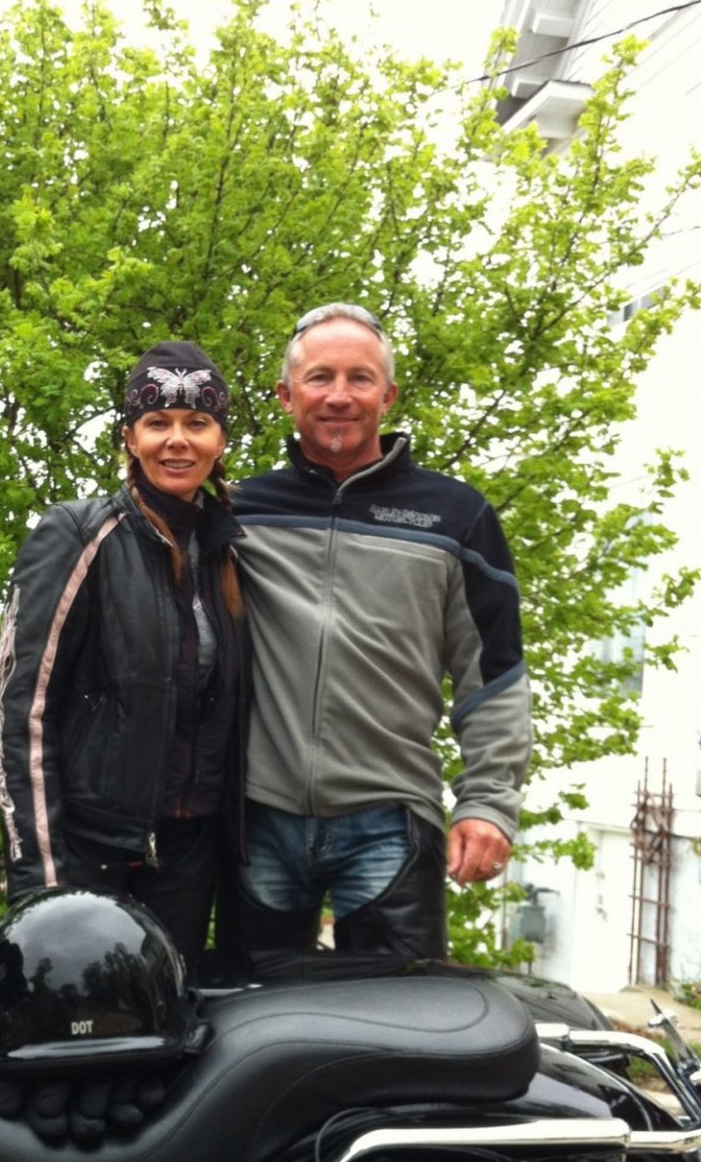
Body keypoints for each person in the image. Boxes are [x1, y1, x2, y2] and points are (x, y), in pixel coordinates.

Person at [226, 303, 530, 967]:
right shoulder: (237, 512)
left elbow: (495, 675)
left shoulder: (457, 516)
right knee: (252, 1035)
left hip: (390, 821)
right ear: (285, 395)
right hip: (259, 814)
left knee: (402, 1038)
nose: (339, 396)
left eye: (360, 379)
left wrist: (488, 804)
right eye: (319, 378)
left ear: (388, 395)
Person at [0, 340, 246, 972]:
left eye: (197, 423)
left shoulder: (227, 554)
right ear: (130, 437)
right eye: (158, 422)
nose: (177, 441)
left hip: (188, 860)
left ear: (220, 441)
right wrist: (41, 881)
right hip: (88, 854)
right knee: (82, 1044)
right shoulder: (81, 534)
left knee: (169, 1043)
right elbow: (19, 710)